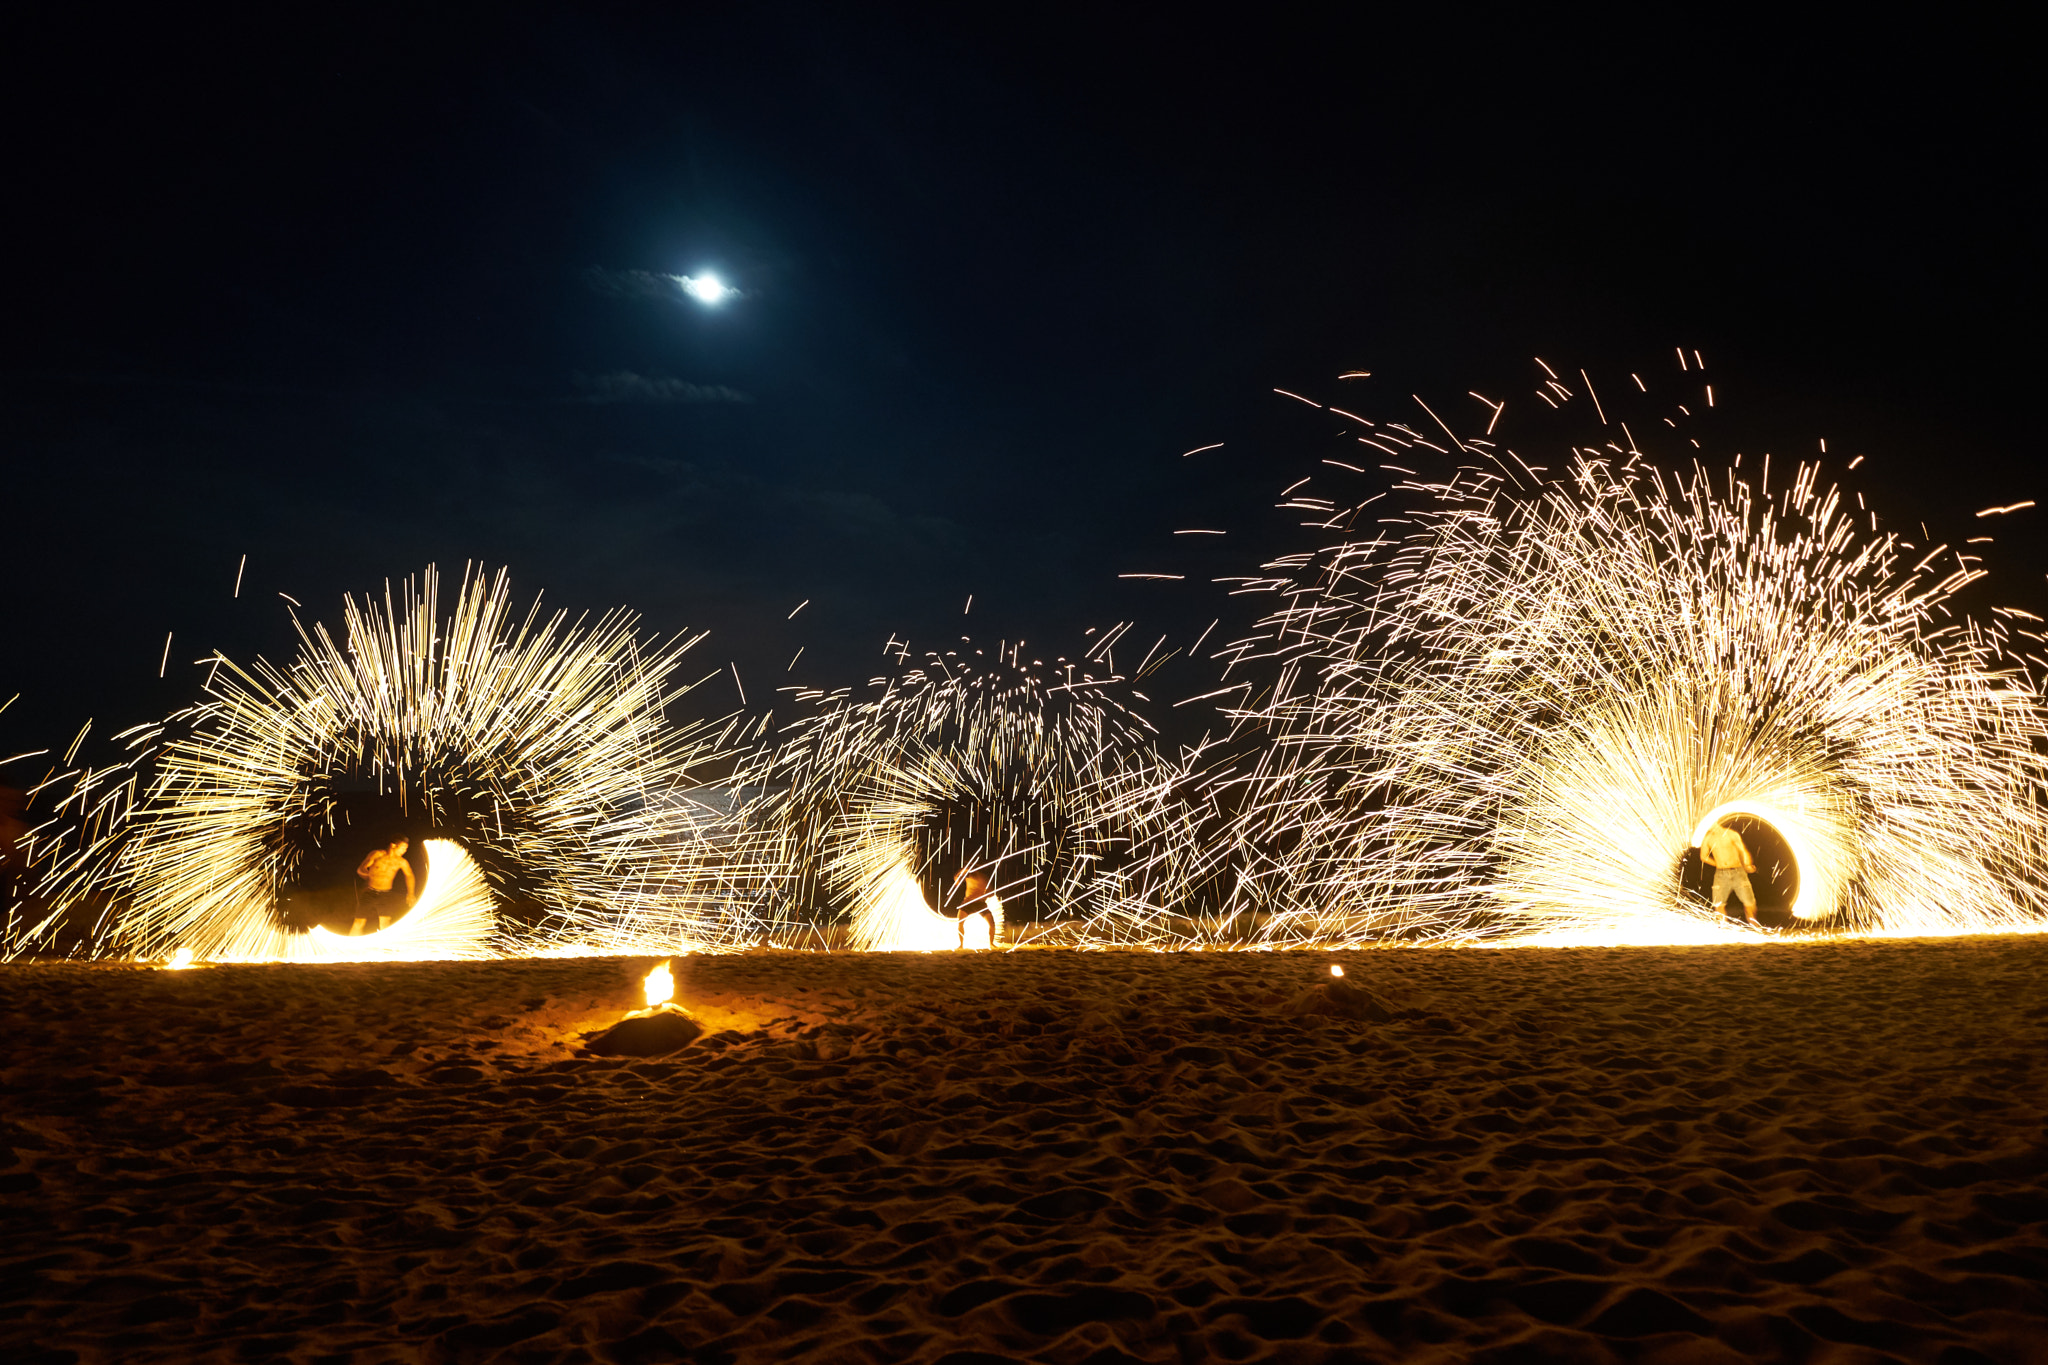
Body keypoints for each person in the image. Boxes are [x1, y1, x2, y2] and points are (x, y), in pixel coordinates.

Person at [1700, 818, 1758, 925]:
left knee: (1749, 902)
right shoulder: (1708, 838)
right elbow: (1703, 856)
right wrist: (1718, 864)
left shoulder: (1731, 834)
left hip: (1738, 873)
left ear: (1715, 821)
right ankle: (1723, 929)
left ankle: (1754, 926)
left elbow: (1742, 850)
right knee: (1718, 904)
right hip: (1721, 875)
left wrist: (1747, 865)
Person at [354, 839, 417, 934]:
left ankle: (385, 948)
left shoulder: (401, 862)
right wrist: (368, 875)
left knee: (385, 924)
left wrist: (411, 894)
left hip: (385, 895)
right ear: (393, 845)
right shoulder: (377, 855)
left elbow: (409, 875)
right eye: (403, 848)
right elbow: (362, 868)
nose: (404, 851)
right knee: (358, 922)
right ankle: (352, 945)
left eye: (406, 849)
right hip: (369, 892)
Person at [949, 866, 998, 951]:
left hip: (980, 904)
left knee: (991, 923)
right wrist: (963, 870)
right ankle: (961, 944)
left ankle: (991, 943)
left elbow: (991, 893)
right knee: (960, 922)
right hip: (968, 903)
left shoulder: (983, 878)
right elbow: (956, 878)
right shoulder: (969, 876)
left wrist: (985, 894)